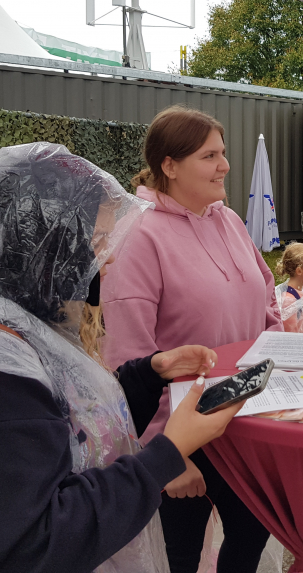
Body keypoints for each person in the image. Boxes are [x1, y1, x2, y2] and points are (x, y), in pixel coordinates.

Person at [0, 143, 242, 573]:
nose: (110, 256)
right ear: (42, 246)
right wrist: (167, 452)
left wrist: (146, 375)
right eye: (97, 241)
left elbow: (66, 433)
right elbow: (37, 545)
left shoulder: (20, 329)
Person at [101, 107, 282, 573]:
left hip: (247, 420)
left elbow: (266, 299)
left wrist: (283, 359)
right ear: (169, 165)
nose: (224, 165)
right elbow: (128, 357)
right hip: (183, 435)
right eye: (210, 156)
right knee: (179, 557)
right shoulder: (139, 235)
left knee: (251, 535)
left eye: (223, 153)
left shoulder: (229, 220)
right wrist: (167, 454)